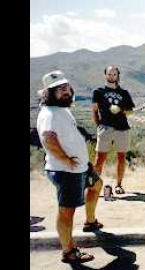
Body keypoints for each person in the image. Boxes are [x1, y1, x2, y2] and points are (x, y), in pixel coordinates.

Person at [37, 70, 103, 264]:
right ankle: (68, 251)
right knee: (66, 211)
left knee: (97, 185)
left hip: (79, 167)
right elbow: (48, 139)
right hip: (66, 171)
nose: (65, 91)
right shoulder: (50, 113)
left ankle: (90, 221)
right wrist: (65, 160)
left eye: (66, 87)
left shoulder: (60, 109)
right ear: (50, 93)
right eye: (59, 89)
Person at [92, 66, 135, 194]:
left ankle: (119, 185)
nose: (111, 76)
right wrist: (98, 125)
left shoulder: (124, 93)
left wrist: (121, 110)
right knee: (100, 158)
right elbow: (94, 110)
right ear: (105, 75)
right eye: (109, 74)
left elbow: (130, 111)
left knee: (121, 157)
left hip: (122, 128)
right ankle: (93, 186)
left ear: (117, 75)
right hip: (105, 128)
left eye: (114, 74)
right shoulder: (98, 92)